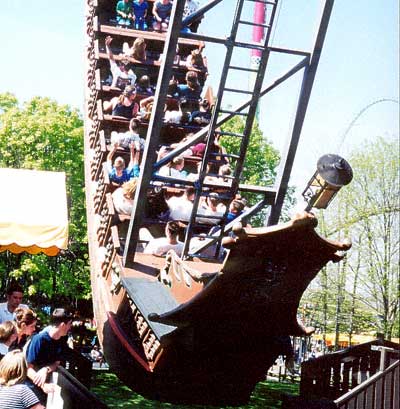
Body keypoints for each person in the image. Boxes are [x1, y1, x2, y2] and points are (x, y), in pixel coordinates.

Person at [25, 308, 73, 404]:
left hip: (48, 386)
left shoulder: (62, 340)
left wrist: (46, 369)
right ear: (63, 325)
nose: (70, 327)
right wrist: (43, 386)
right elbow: (28, 369)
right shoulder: (39, 340)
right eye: (69, 324)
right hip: (31, 388)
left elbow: (56, 363)